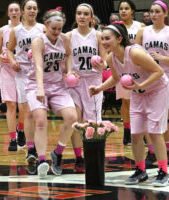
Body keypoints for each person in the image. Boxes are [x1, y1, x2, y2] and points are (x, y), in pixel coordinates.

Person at [90, 22, 168, 187]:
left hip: (157, 91)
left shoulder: (135, 53)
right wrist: (99, 88)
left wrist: (141, 85)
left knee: (154, 132)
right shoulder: (111, 58)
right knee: (135, 134)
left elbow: (159, 72)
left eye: (107, 38)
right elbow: (116, 78)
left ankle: (163, 172)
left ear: (119, 39)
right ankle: (140, 171)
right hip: (138, 94)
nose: (103, 42)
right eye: (102, 38)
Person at [29, 10, 77, 178]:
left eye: (59, 29)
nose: (56, 32)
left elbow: (69, 54)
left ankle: (57, 153)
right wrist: (40, 88)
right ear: (46, 26)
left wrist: (70, 71)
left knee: (72, 117)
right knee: (41, 120)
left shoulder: (65, 39)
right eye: (53, 28)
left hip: (58, 85)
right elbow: (38, 66)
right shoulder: (38, 41)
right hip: (36, 84)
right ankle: (42, 160)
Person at [66, 3, 107, 173]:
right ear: (75, 16)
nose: (82, 16)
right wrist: (68, 72)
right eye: (79, 13)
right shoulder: (68, 36)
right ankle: (79, 158)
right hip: (75, 82)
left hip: (93, 81)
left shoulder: (98, 36)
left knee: (92, 121)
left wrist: (100, 64)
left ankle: (93, 153)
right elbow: (65, 59)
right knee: (76, 119)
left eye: (85, 14)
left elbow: (105, 62)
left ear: (91, 17)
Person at [7, 0, 44, 163]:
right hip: (22, 73)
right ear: (23, 11)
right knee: (27, 111)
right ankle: (31, 148)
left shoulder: (42, 29)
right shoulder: (16, 30)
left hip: (38, 73)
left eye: (34, 8)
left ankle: (37, 144)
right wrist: (12, 60)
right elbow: (9, 49)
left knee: (38, 112)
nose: (32, 11)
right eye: (29, 8)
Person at [135, 0, 169, 165]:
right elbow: (134, 52)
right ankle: (152, 151)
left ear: (165, 14)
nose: (154, 14)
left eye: (157, 11)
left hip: (165, 77)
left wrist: (162, 58)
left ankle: (165, 148)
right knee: (148, 117)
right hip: (147, 77)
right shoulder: (143, 31)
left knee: (165, 117)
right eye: (152, 11)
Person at [0, 2, 26, 151]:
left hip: (22, 70)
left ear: (21, 12)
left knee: (23, 106)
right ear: (8, 13)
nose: (14, 12)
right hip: (6, 70)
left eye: (16, 10)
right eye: (11, 10)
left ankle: (21, 129)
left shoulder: (26, 30)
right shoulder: (2, 31)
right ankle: (12, 139)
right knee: (11, 105)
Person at [117, 0, 145, 146]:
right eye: (121, 9)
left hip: (138, 67)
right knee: (125, 101)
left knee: (142, 100)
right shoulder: (116, 27)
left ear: (132, 11)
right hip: (122, 66)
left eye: (126, 8)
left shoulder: (140, 27)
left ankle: (145, 132)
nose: (123, 11)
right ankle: (127, 132)